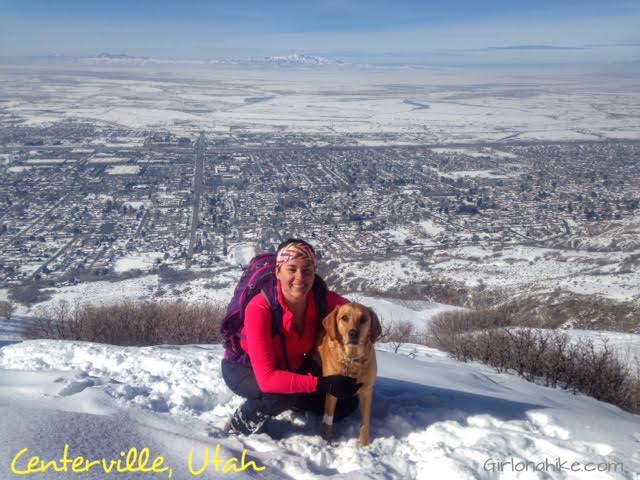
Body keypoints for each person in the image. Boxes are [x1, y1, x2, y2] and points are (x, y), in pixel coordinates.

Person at [221, 238, 360, 434]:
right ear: (278, 272)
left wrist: (366, 334)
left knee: (346, 403)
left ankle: (295, 398)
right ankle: (240, 422)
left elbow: (356, 314)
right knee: (279, 396)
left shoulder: (319, 300)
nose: (300, 277)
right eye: (292, 269)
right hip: (243, 368)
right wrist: (322, 384)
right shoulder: (260, 308)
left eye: (307, 270)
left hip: (289, 365)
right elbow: (268, 379)